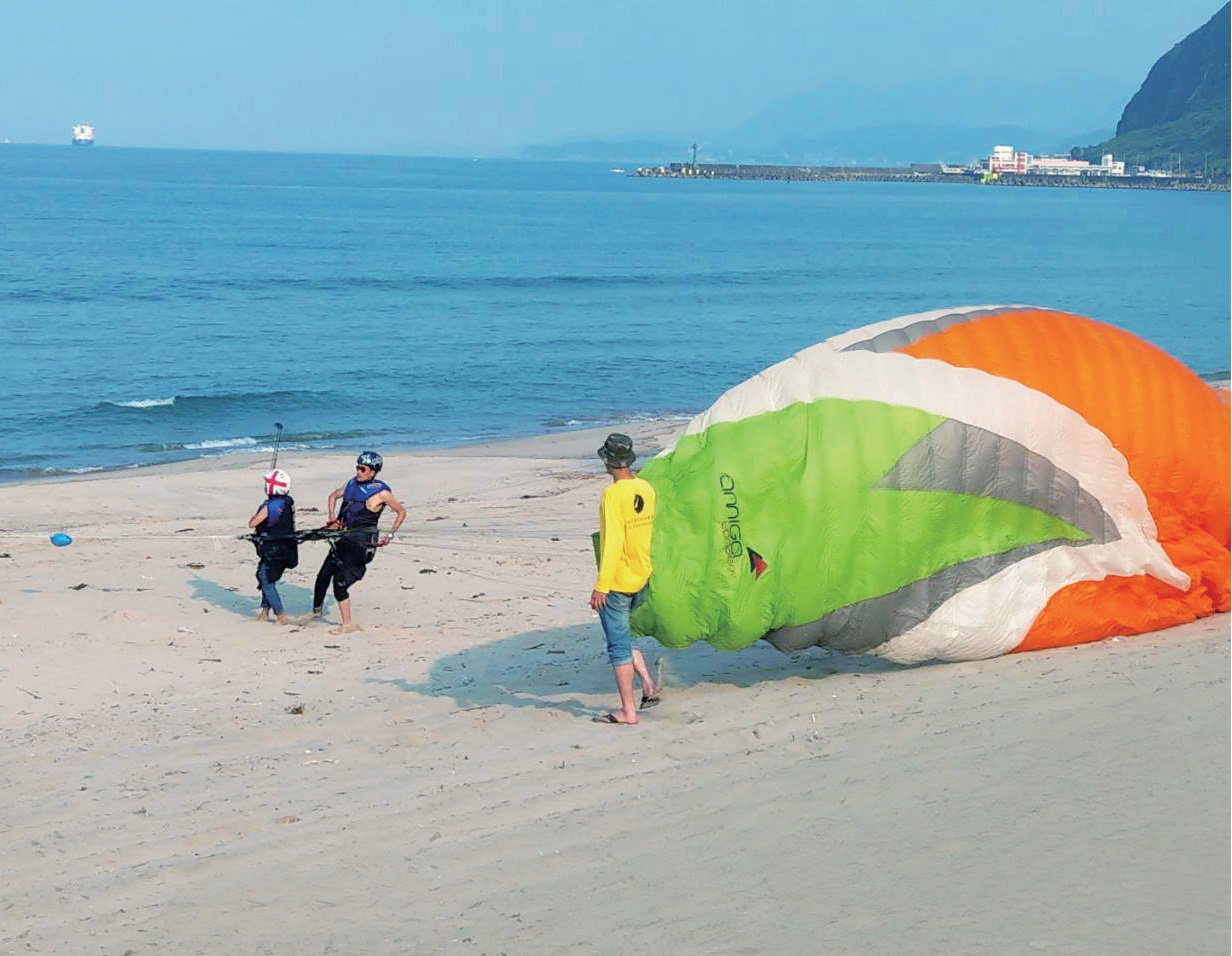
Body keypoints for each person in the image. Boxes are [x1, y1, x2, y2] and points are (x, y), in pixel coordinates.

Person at [589, 433, 660, 725]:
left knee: (617, 645)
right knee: (624, 635)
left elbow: (614, 543)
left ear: (608, 461)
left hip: (617, 582)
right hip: (641, 575)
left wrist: (601, 586)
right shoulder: (646, 489)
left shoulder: (612, 495)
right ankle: (648, 685)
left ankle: (628, 711)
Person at [311, 450, 406, 634]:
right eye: (357, 467)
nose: (358, 472)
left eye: (363, 469)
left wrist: (390, 535)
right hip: (344, 538)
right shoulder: (351, 484)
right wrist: (332, 518)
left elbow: (401, 512)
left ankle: (347, 625)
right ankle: (316, 613)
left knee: (339, 581)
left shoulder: (382, 494)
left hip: (361, 544)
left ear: (373, 471)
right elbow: (332, 496)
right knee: (323, 575)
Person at [248, 468, 298, 625]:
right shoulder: (289, 502)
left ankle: (281, 614)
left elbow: (253, 524)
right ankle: (264, 612)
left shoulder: (269, 507)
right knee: (265, 576)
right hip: (288, 548)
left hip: (274, 550)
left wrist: (256, 515)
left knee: (265, 578)